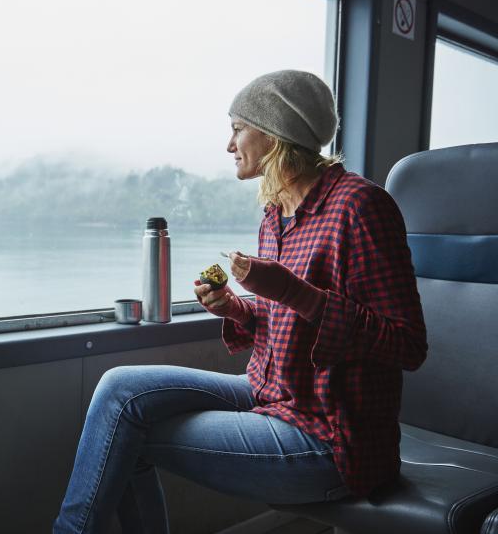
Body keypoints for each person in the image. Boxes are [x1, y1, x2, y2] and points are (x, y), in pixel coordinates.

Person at [52, 70, 427, 534]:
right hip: (267, 396)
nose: (229, 144)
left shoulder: (362, 207)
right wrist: (234, 307)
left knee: (124, 436)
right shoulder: (275, 213)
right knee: (119, 388)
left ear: (274, 135)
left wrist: (291, 290)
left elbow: (408, 344)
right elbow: (286, 320)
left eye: (236, 128)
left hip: (330, 437)